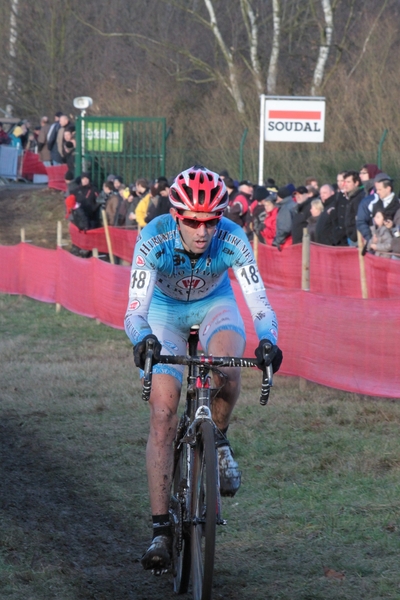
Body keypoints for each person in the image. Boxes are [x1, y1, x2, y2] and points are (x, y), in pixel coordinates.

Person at [124, 165, 282, 572]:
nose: (203, 230)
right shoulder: (152, 238)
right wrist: (143, 338)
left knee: (229, 371)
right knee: (163, 413)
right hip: (163, 313)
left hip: (215, 305)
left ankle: (220, 440)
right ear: (177, 216)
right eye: (193, 221)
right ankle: (160, 529)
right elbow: (134, 311)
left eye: (211, 220)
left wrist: (269, 340)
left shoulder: (232, 238)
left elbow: (259, 301)